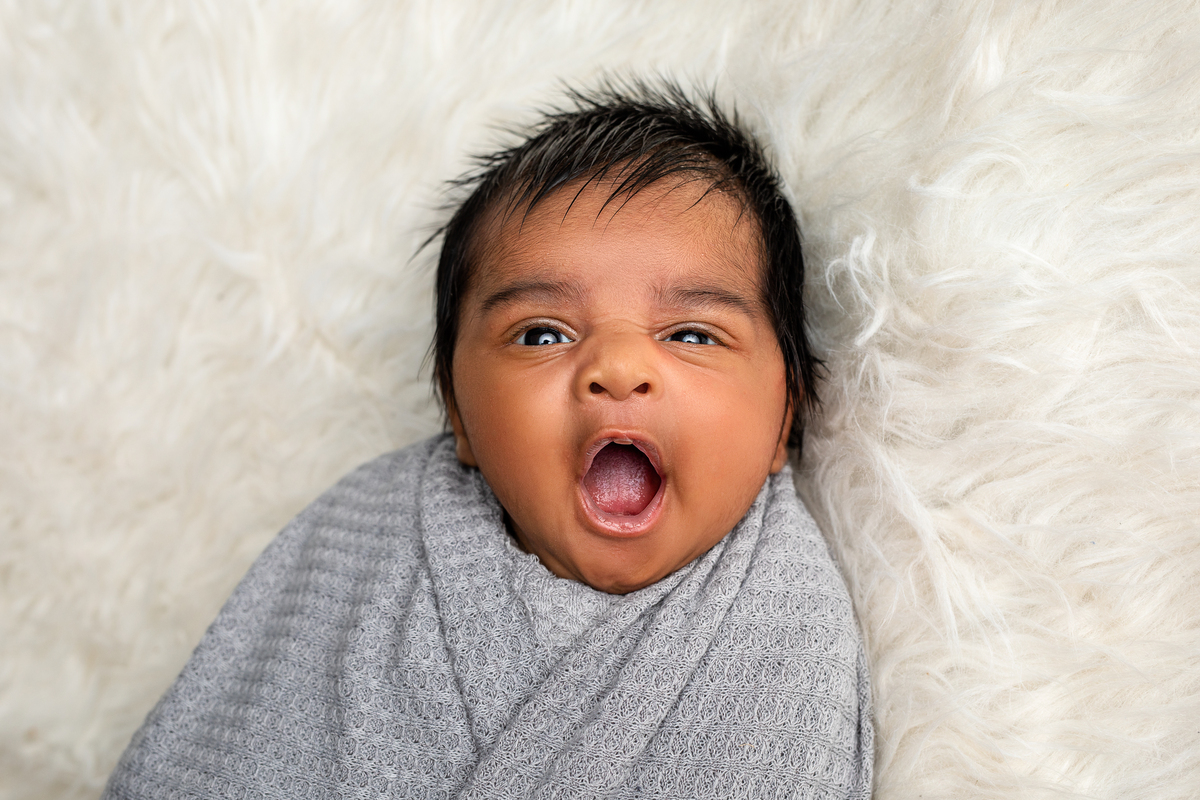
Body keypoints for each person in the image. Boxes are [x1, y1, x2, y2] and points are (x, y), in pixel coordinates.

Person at [103, 82, 873, 799]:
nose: (617, 367)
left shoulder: (783, 636)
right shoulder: (368, 538)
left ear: (783, 419)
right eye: (542, 333)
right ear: (460, 418)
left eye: (692, 333)